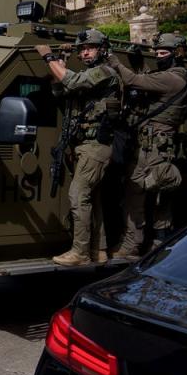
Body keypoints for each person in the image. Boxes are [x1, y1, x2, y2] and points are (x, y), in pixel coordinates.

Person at [36, 29, 121, 267]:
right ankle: (99, 250)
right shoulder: (89, 74)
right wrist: (59, 64)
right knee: (93, 199)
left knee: (78, 194)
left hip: (97, 145)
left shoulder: (106, 72)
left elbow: (71, 81)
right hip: (84, 145)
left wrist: (47, 57)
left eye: (90, 48)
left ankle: (80, 252)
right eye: (82, 49)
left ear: (102, 49)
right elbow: (61, 91)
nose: (84, 52)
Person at [106, 33, 187, 258]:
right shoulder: (177, 76)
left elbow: (135, 81)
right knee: (156, 196)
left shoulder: (173, 79)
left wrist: (115, 62)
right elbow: (149, 78)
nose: (159, 57)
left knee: (137, 193)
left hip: (152, 149)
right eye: (157, 53)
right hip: (156, 147)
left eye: (163, 53)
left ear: (177, 54)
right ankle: (155, 243)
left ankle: (134, 244)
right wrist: (139, 62)